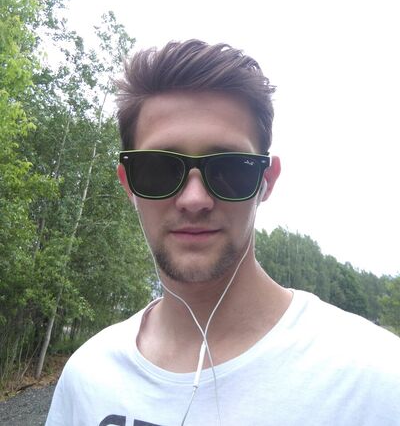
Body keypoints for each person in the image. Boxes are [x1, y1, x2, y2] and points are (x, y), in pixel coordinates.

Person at [46, 40, 400, 426]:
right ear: (129, 184)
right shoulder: (88, 378)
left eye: (230, 168)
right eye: (159, 170)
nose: (194, 199)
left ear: (266, 181)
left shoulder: (376, 382)